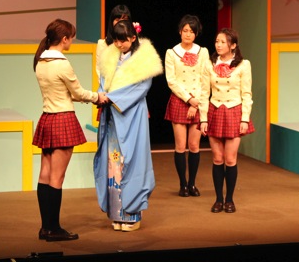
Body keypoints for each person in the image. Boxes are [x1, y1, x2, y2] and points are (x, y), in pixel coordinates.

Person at [33, 18, 107, 241]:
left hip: (47, 118)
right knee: (57, 177)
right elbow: (77, 92)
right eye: (71, 37)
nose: (72, 41)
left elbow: (66, 93)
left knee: (45, 175)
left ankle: (46, 227)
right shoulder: (61, 63)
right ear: (64, 39)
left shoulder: (40, 61)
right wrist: (98, 97)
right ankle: (53, 229)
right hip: (62, 119)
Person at [94, 19, 163, 231]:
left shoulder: (143, 59)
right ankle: (117, 214)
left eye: (123, 40)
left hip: (132, 114)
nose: (119, 44)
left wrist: (113, 98)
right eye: (116, 40)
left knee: (132, 160)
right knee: (113, 162)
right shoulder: (110, 56)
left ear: (133, 38)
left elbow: (142, 88)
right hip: (113, 116)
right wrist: (102, 94)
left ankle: (132, 216)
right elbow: (103, 82)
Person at [200, 28, 254, 213]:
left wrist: (245, 119)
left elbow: (246, 94)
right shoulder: (209, 64)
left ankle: (229, 199)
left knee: (230, 159)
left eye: (223, 42)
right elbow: (204, 93)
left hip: (234, 111)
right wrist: (203, 118)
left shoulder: (243, 65)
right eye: (217, 41)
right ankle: (218, 199)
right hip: (215, 110)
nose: (218, 45)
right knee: (217, 158)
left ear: (233, 45)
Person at [164, 14, 209, 197]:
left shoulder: (203, 52)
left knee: (194, 145)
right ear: (180, 32)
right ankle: (182, 184)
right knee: (181, 145)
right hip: (180, 100)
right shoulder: (171, 52)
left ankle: (192, 184)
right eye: (185, 30)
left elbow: (205, 78)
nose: (188, 34)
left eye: (191, 31)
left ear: (196, 33)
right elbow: (171, 81)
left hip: (198, 101)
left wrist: (195, 102)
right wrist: (188, 99)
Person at [96, 4, 132, 80]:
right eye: (117, 20)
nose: (121, 22)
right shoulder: (102, 44)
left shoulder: (134, 41)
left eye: (124, 19)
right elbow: (99, 70)